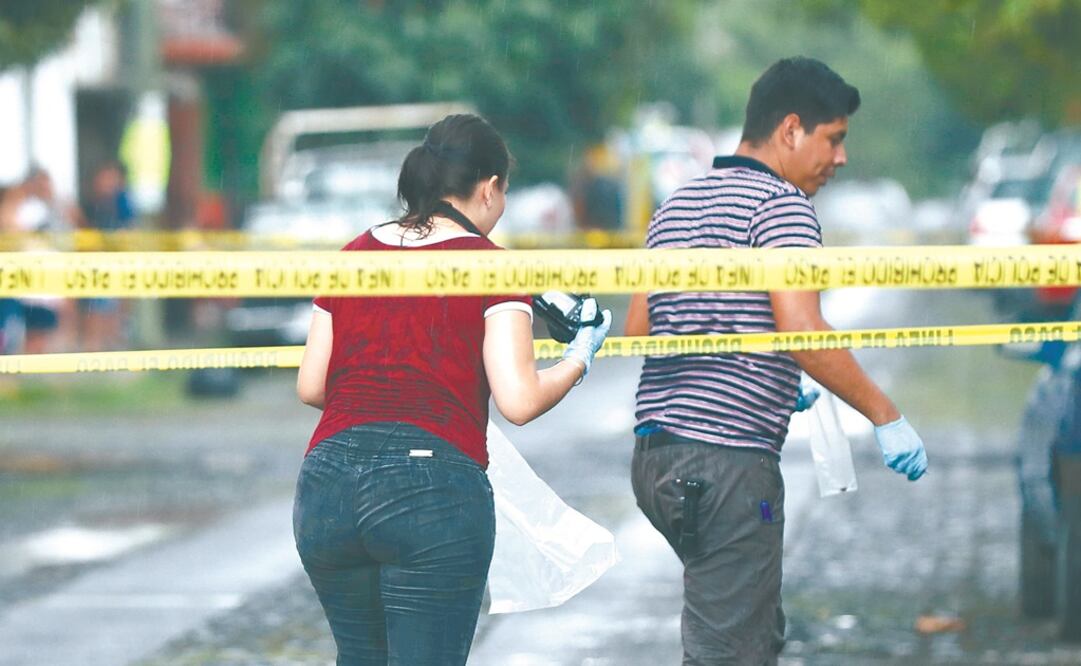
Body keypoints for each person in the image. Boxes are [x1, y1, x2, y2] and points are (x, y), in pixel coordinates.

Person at [624, 57, 928, 665]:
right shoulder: (783, 205)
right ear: (791, 129)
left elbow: (640, 329)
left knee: (742, 628)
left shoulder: (678, 204)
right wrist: (885, 414)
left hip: (657, 458)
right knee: (732, 652)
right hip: (726, 464)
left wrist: (759, 368)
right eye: (833, 139)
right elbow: (803, 328)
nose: (840, 158)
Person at [293, 113, 612, 665]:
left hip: (327, 487)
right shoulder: (489, 266)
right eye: (504, 193)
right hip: (432, 492)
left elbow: (312, 385)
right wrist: (579, 355)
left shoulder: (352, 255)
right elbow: (519, 400)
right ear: (489, 188)